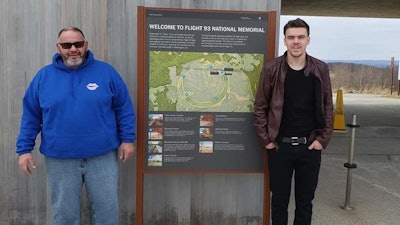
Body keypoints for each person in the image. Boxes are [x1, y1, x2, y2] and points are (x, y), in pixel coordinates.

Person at [16, 26, 136, 225]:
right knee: (64, 214)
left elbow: (124, 107)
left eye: (78, 44)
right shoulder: (43, 77)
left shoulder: (106, 72)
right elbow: (30, 116)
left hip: (102, 156)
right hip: (60, 158)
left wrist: (128, 139)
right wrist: (24, 150)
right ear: (58, 47)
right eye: (67, 45)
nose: (73, 49)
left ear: (85, 45)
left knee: (107, 211)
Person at [254, 18, 333, 225]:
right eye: (291, 37)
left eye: (300, 37)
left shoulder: (320, 69)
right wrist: (267, 141)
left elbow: (327, 107)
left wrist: (322, 140)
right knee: (279, 201)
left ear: (308, 40)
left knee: (305, 202)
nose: (296, 41)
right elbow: (260, 107)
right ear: (285, 40)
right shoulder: (272, 69)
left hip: (310, 147)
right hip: (280, 147)